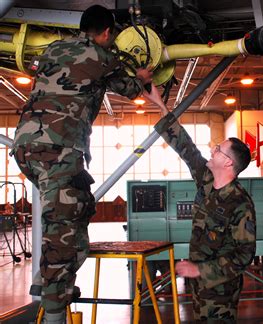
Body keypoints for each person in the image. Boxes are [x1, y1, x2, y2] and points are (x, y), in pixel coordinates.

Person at [12, 5, 152, 323]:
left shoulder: (53, 48)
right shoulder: (102, 57)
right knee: (62, 226)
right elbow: (131, 88)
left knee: (77, 208)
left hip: (27, 149)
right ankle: (55, 305)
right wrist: (143, 76)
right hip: (57, 150)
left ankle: (54, 282)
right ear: (105, 33)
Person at [146, 84, 256, 322]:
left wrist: (199, 269)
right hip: (199, 288)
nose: (213, 150)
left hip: (221, 293)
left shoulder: (239, 202)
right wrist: (159, 104)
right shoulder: (206, 181)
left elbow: (244, 255)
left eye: (219, 150)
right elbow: (185, 146)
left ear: (228, 163)